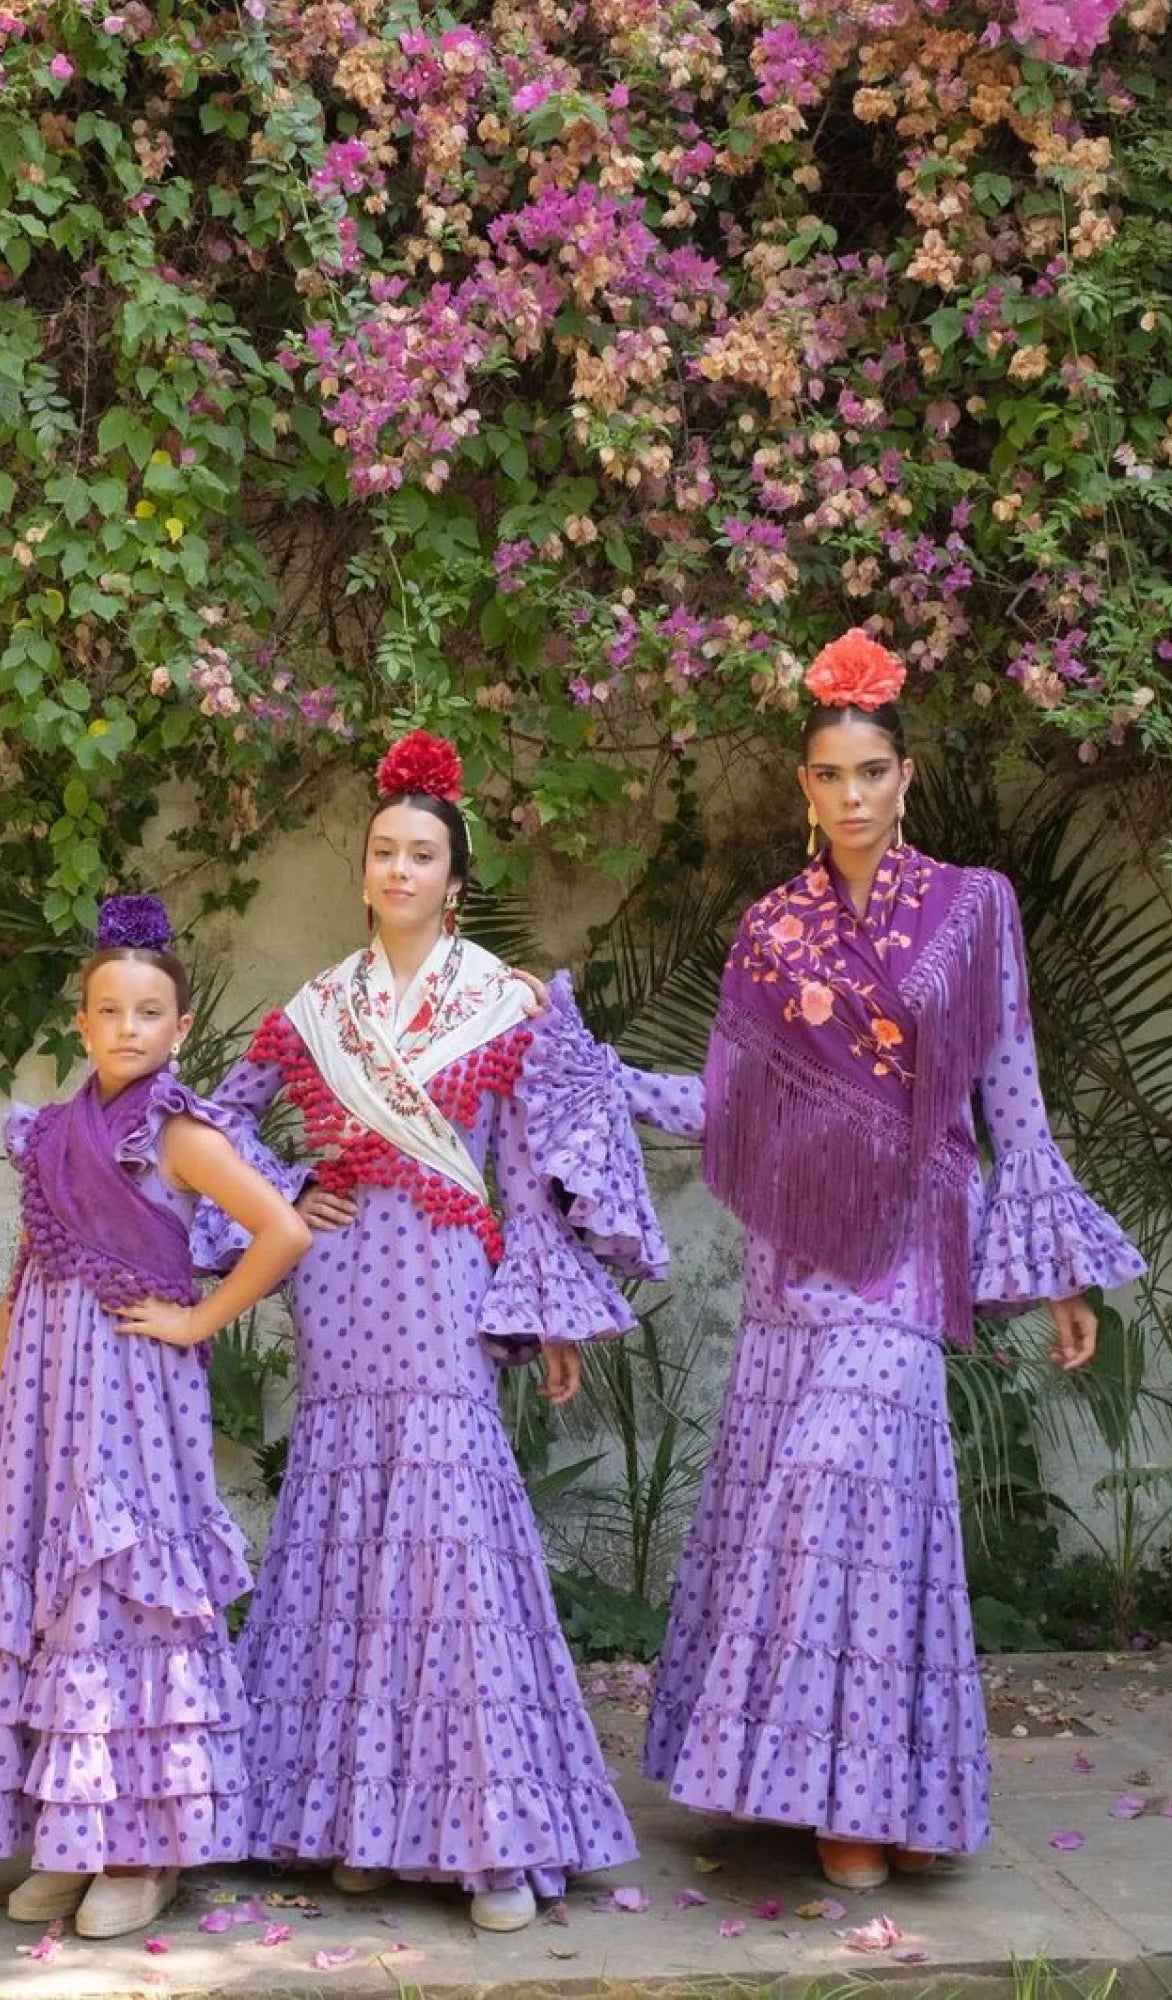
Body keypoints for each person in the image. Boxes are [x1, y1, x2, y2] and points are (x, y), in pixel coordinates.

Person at [524, 630, 1144, 1891]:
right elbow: (725, 1102)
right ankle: (808, 1794)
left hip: (910, 1253)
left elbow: (1010, 1090)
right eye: (828, 774)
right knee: (800, 1506)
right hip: (791, 1267)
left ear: (905, 778)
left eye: (871, 770)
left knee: (852, 1486)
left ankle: (873, 1791)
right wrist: (590, 1069)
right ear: (805, 788)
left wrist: (1059, 1271)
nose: (851, 794)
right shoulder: (772, 930)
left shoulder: (975, 911)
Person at [193, 731, 656, 1931]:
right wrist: (289, 1189)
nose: (400, 869)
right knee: (343, 1523)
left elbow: (521, 1169)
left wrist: (551, 1315)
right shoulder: (316, 1010)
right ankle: (351, 1821)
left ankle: (492, 1841)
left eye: (423, 854)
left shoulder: (502, 1002)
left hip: (447, 1278)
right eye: (384, 852)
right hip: (340, 1282)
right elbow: (214, 1123)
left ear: (456, 880)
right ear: (364, 873)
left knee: (449, 1527)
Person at [0, 895, 312, 1939]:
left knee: (130, 1587)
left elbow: (282, 1230)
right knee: (58, 1588)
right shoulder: (51, 1134)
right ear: (82, 1022)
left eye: (149, 1011)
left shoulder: (180, 1133)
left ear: (180, 1026)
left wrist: (199, 1315)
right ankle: (72, 1830)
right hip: (46, 1399)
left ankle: (145, 1846)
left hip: (135, 1395)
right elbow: (24, 1281)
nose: (127, 1028)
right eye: (109, 1010)